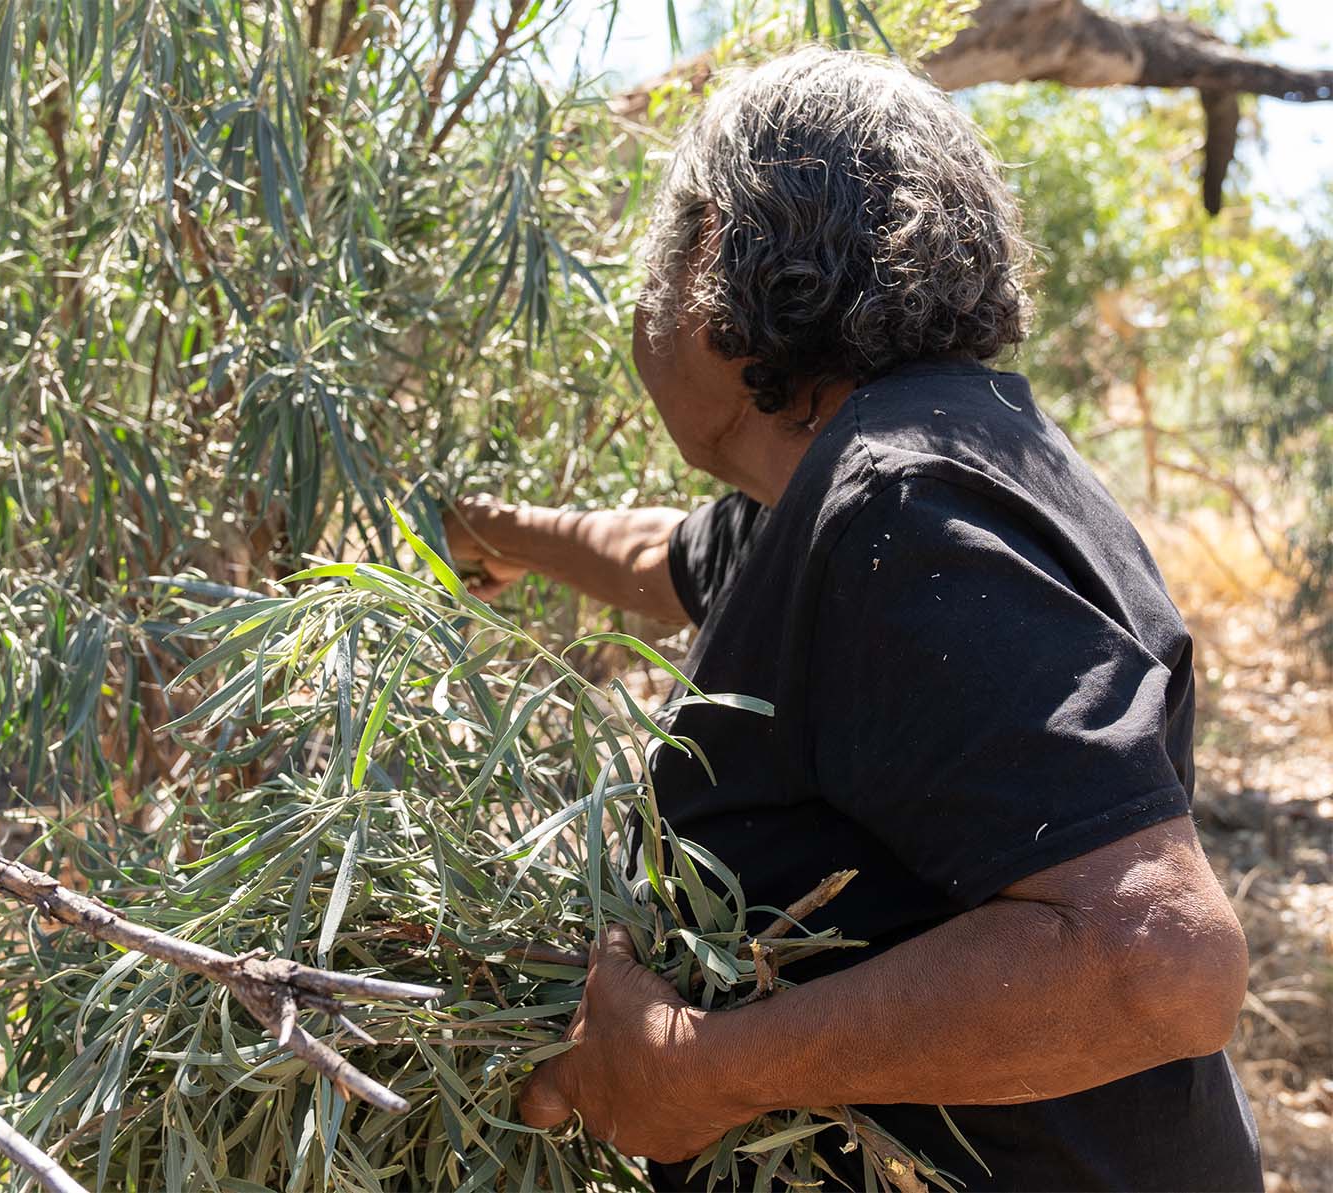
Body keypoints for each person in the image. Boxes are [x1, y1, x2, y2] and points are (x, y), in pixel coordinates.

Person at [444, 47, 1263, 1193]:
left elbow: (1156, 960)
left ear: (717, 248)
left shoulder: (896, 503)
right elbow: (659, 555)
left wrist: (706, 1068)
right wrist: (495, 532)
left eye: (658, 242)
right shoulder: (909, 466)